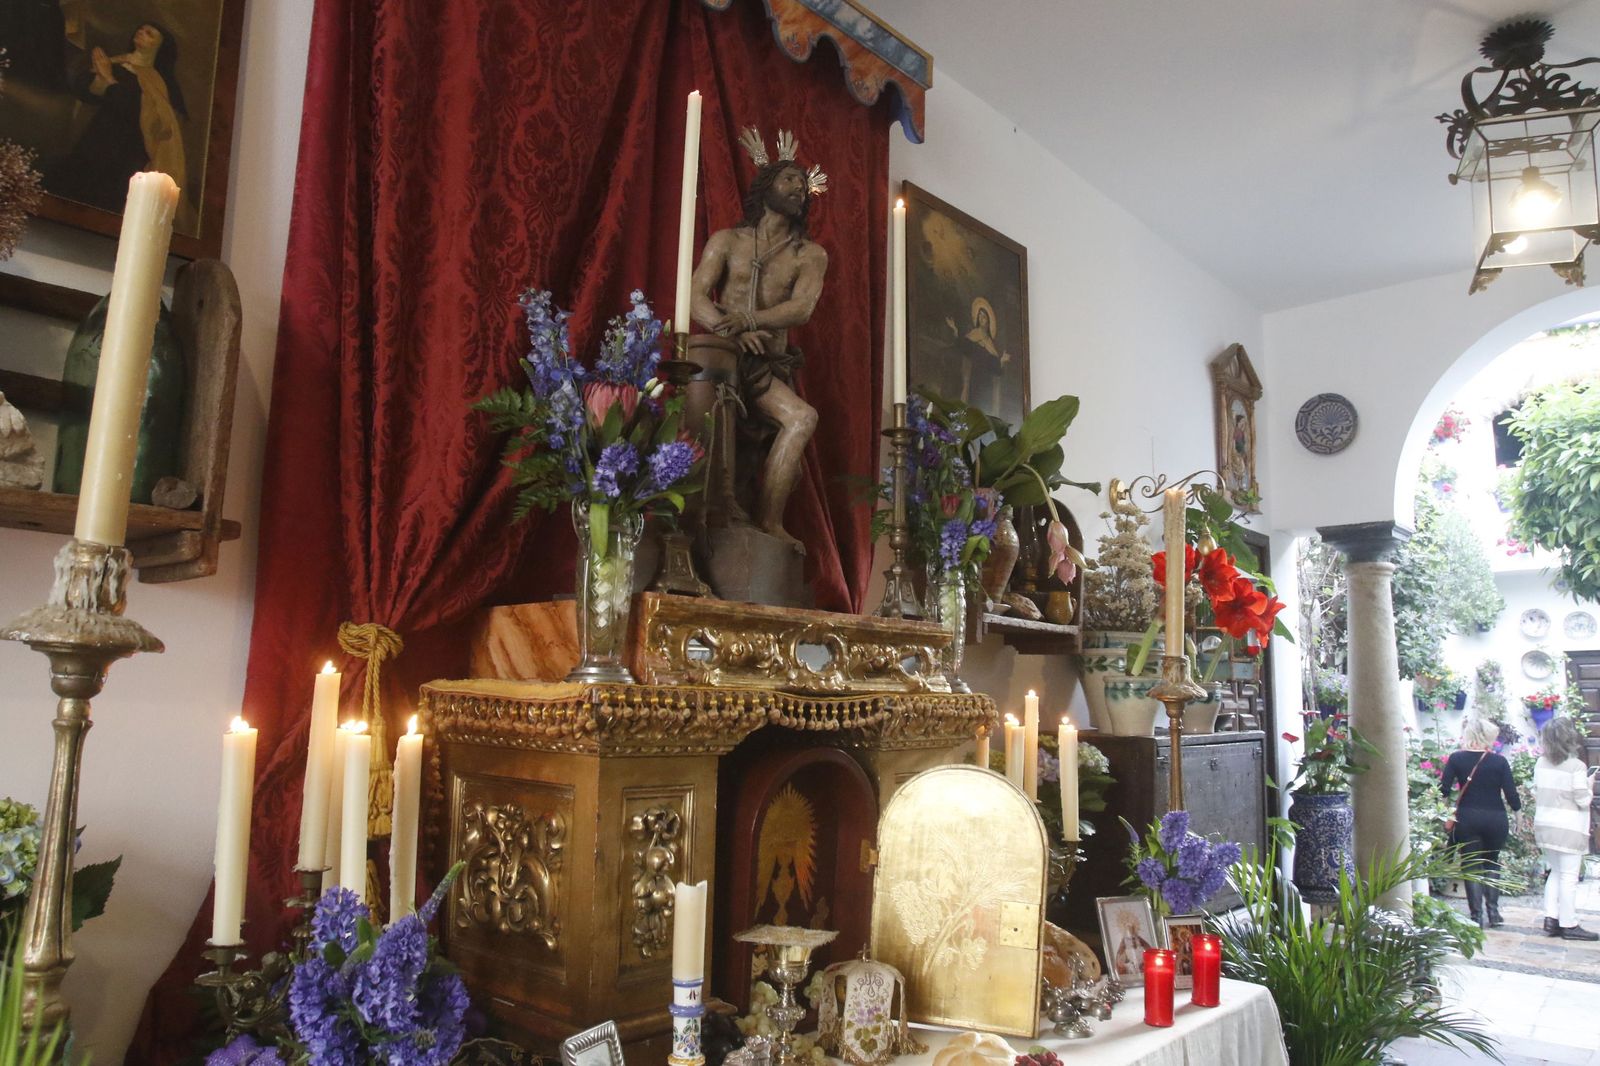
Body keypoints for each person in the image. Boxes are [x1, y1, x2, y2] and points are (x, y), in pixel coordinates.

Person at [688, 130, 827, 549]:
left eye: (802, 183)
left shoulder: (809, 254)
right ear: (766, 185)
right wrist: (729, 330)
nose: (799, 187)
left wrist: (750, 320)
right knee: (723, 441)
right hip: (722, 362)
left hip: (767, 365)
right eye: (789, 179)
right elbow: (695, 296)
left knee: (800, 422)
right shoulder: (727, 241)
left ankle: (769, 523)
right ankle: (739, 520)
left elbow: (801, 308)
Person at [47, 23, 188, 224]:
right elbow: (84, 90)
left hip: (127, 150)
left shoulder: (156, 82)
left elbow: (139, 111)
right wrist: (101, 79)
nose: (141, 32)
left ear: (160, 47)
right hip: (97, 137)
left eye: (149, 34)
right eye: (141, 29)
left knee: (108, 200)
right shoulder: (115, 63)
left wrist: (109, 80)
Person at [1440, 717, 1521, 928]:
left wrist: (1445, 812)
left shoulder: (1456, 759)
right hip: (1496, 818)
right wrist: (1518, 817)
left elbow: (1443, 790)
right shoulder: (1499, 761)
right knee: (1491, 862)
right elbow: (1511, 794)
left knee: (1471, 865)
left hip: (1467, 818)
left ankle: (1476, 916)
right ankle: (1493, 913)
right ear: (1488, 737)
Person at [1533, 716, 1598, 941]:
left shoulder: (1540, 763)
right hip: (1568, 828)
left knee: (1556, 872)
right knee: (1569, 877)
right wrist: (1590, 785)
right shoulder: (1577, 766)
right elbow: (1582, 800)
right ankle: (1569, 923)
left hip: (1545, 825)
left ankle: (1551, 919)